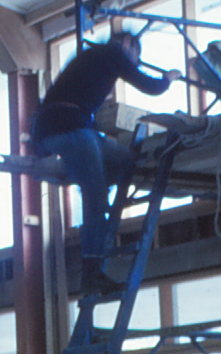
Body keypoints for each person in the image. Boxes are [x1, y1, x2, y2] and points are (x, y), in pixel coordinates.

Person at [32, 30, 182, 290]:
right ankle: (92, 272)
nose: (134, 63)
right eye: (136, 56)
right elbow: (150, 86)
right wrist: (168, 78)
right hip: (71, 130)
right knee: (95, 196)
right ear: (127, 45)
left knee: (127, 160)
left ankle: (101, 183)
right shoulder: (112, 53)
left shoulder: (94, 58)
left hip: (63, 130)